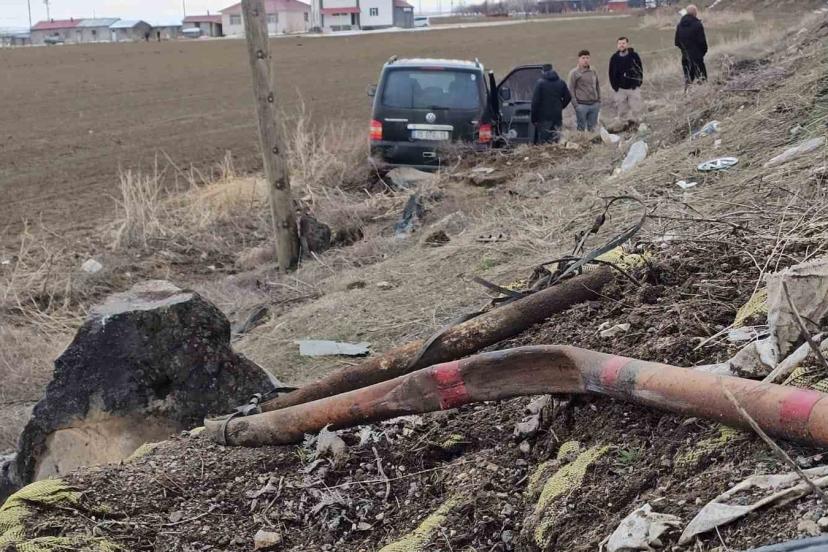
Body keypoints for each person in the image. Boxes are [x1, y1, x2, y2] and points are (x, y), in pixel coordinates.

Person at [531, 64, 572, 144]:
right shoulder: (561, 82)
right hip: (557, 116)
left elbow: (535, 103)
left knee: (544, 142)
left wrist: (534, 119)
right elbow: (568, 97)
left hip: (543, 118)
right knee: (556, 139)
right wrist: (561, 106)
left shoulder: (540, 83)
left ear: (542, 71)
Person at [608, 37, 644, 127]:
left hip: (633, 88)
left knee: (636, 109)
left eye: (623, 43)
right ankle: (625, 127)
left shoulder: (634, 56)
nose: (621, 45)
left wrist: (638, 83)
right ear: (617, 45)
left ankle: (638, 126)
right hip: (620, 89)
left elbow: (640, 69)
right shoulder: (614, 58)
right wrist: (615, 86)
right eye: (620, 43)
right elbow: (611, 73)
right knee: (622, 111)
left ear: (627, 44)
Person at [675, 4, 708, 88]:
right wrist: (702, 53)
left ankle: (687, 94)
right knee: (702, 79)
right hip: (697, 57)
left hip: (685, 57)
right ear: (695, 13)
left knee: (688, 80)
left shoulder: (679, 25)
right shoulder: (697, 24)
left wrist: (684, 51)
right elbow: (702, 42)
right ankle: (702, 94)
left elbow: (677, 42)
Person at [568, 50, 601, 132]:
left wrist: (599, 100)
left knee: (593, 128)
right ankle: (581, 140)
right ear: (579, 59)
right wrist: (576, 105)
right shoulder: (574, 73)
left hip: (594, 104)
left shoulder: (593, 70)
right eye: (583, 58)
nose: (585, 60)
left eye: (587, 58)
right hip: (581, 105)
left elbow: (597, 85)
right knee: (581, 128)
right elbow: (571, 89)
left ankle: (592, 140)